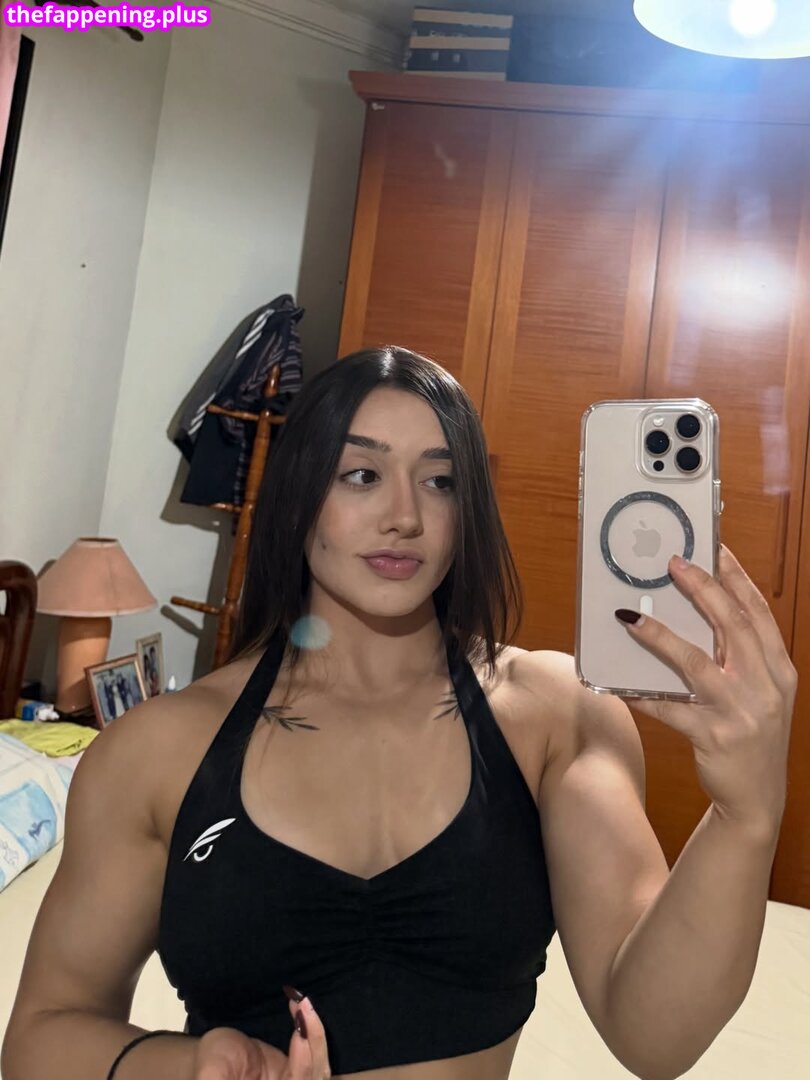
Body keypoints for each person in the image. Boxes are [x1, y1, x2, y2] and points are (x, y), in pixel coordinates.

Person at [2, 347, 795, 1080]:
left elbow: (654, 1038)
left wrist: (745, 815)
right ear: (300, 494)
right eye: (361, 474)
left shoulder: (555, 714)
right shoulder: (155, 750)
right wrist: (190, 1067)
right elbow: (41, 1035)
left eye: (441, 481)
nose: (406, 516)